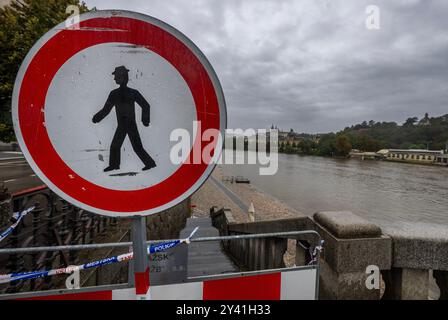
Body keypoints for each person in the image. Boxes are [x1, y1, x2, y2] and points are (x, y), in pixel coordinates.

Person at [92, 66, 156, 172]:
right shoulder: (122, 93)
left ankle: (115, 165)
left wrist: (96, 118)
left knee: (118, 146)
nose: (114, 79)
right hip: (127, 124)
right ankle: (149, 163)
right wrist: (145, 120)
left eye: (116, 76)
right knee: (132, 146)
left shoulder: (117, 93)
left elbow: (145, 105)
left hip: (126, 124)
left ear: (122, 77)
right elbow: (106, 109)